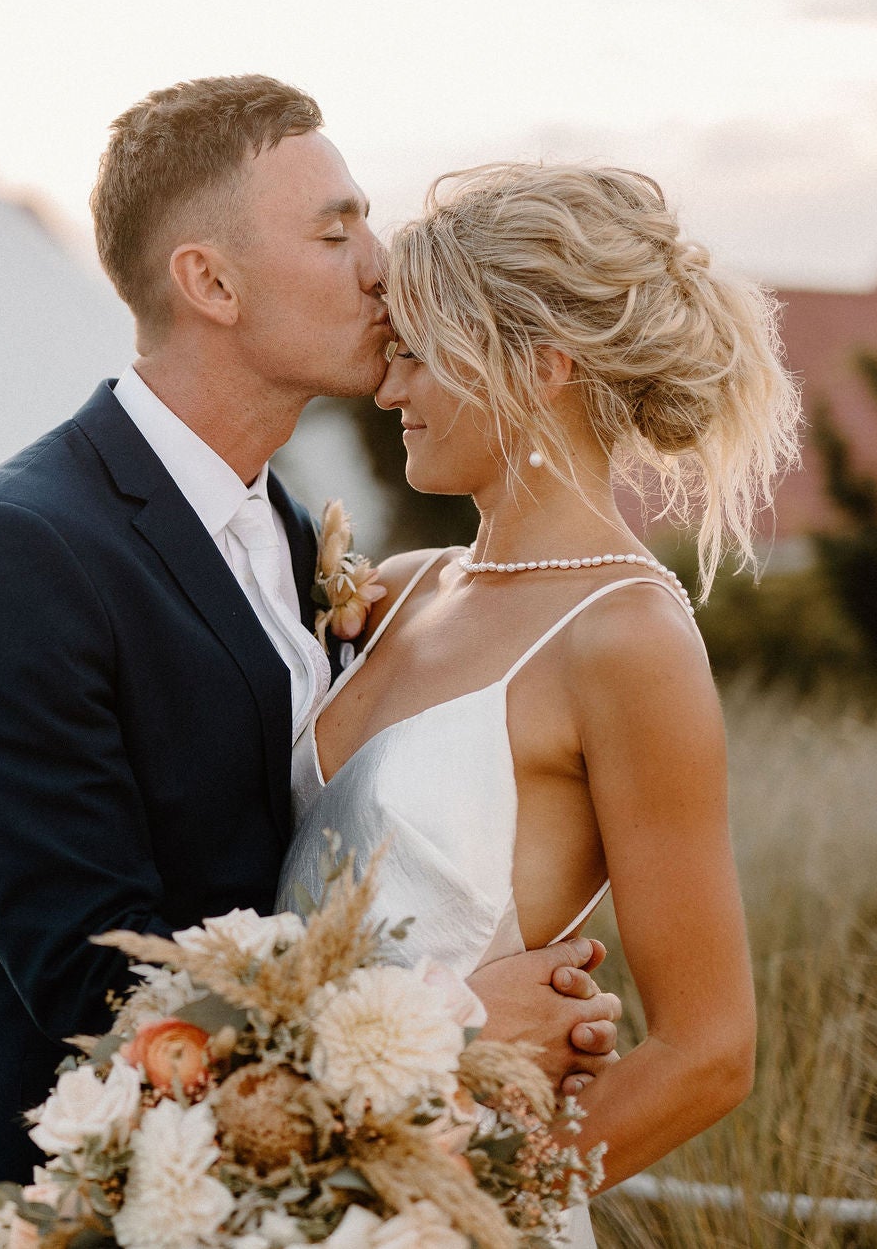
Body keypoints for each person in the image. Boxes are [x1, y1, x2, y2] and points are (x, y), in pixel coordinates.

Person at [0, 81, 625, 1246]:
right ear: (210, 284)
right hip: (78, 1205)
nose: (380, 268)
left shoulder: (288, 533)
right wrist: (450, 1027)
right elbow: (101, 992)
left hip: (295, 1202)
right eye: (334, 234)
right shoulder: (13, 555)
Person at [279, 163, 800, 1243]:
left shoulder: (626, 640)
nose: (388, 391)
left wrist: (449, 1199)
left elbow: (707, 1053)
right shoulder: (402, 589)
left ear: (539, 367)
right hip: (282, 1163)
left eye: (416, 357)